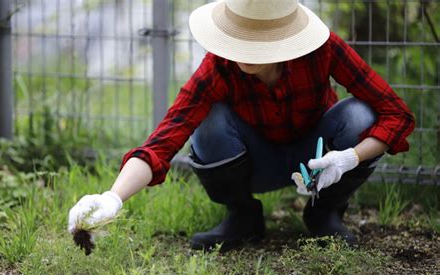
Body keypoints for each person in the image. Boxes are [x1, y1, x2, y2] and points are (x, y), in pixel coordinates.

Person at [68, 0, 415, 251]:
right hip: (254, 163)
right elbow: (163, 141)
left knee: (360, 115)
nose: (245, 50)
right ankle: (243, 217)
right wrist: (112, 197)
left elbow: (396, 114)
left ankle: (323, 213)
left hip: (319, 160)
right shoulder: (217, 67)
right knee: (210, 120)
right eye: (240, 36)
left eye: (258, 39)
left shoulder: (322, 50)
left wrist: (348, 158)